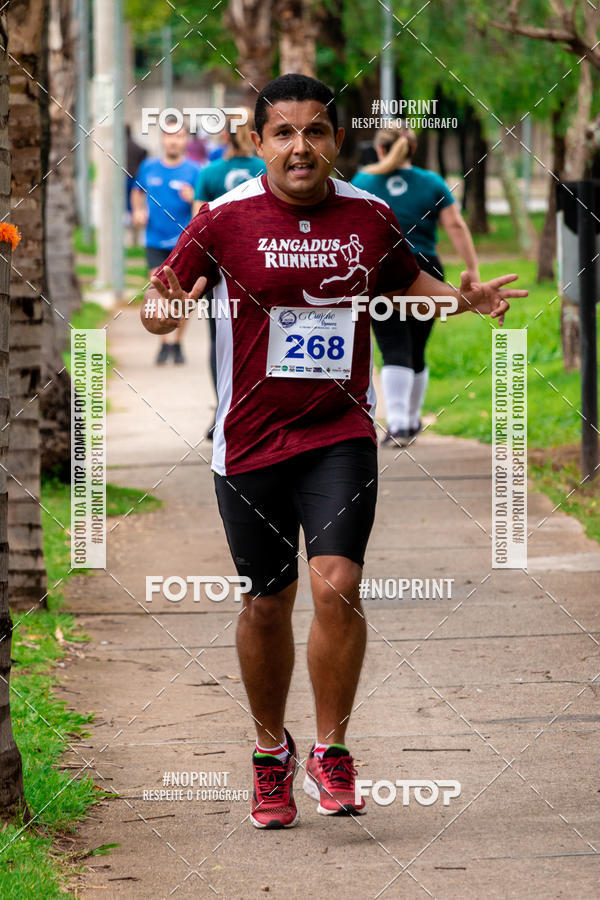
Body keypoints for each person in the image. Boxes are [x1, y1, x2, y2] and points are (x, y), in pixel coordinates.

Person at [140, 74, 526, 829]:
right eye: (283, 133)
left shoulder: (369, 215)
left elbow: (409, 282)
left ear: (336, 141)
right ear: (258, 143)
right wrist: (163, 309)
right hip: (249, 440)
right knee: (265, 602)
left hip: (338, 433)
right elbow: (163, 305)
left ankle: (332, 748)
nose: (300, 147)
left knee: (337, 583)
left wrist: (464, 301)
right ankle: (269, 754)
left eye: (314, 131)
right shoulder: (222, 218)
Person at [352, 124, 480, 446]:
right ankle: (411, 420)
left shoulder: (363, 182)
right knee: (417, 348)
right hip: (427, 268)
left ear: (380, 149)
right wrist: (473, 270)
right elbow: (455, 225)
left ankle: (398, 425)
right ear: (412, 148)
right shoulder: (432, 182)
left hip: (384, 271)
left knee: (393, 345)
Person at [192, 109, 265, 439]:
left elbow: (196, 229)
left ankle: (225, 410)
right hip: (265, 269)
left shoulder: (209, 173)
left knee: (220, 341)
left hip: (221, 274)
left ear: (224, 135)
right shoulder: (268, 169)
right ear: (256, 134)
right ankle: (258, 409)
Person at [131, 122, 200, 365]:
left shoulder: (195, 170)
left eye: (179, 136)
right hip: (155, 240)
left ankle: (178, 342)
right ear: (162, 139)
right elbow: (137, 192)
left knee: (183, 296)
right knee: (157, 293)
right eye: (169, 136)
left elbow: (203, 205)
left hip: (183, 243)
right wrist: (138, 211)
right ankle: (163, 342)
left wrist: (193, 198)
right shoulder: (148, 167)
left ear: (185, 140)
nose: (173, 141)